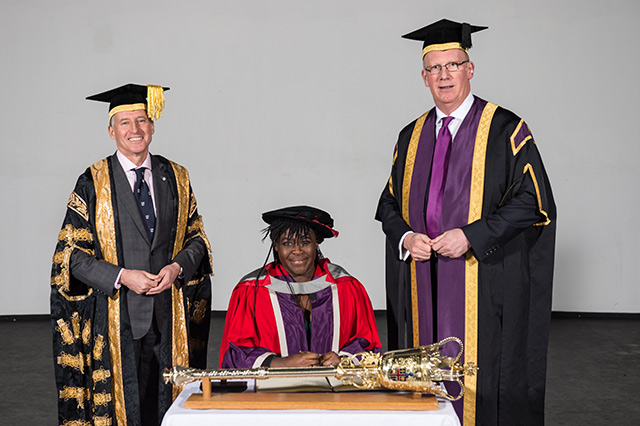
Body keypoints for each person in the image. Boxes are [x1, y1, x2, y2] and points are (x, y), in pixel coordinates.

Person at [375, 19, 556, 426]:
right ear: (423, 77)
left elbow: (534, 201)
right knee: (424, 370)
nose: (444, 76)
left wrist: (471, 236)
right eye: (435, 68)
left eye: (452, 65)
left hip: (483, 282)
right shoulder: (410, 135)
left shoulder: (506, 129)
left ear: (469, 69)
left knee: (484, 377)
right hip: (423, 282)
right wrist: (405, 236)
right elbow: (388, 202)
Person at [50, 84, 213, 426]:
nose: (134, 130)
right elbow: (71, 257)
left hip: (169, 318)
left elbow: (197, 239)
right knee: (126, 410)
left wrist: (177, 266)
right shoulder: (92, 182)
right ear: (111, 130)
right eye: (125, 122)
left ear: (152, 126)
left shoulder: (177, 177)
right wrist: (123, 276)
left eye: (141, 120)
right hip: (116, 320)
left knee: (165, 406)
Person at [220, 206, 381, 369]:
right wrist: (280, 363)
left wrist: (343, 359)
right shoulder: (252, 290)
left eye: (305, 242)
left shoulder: (346, 287)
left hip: (334, 389)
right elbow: (236, 351)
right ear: (276, 246)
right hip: (272, 391)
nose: (297, 251)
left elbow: (367, 342)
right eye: (287, 243)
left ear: (316, 244)